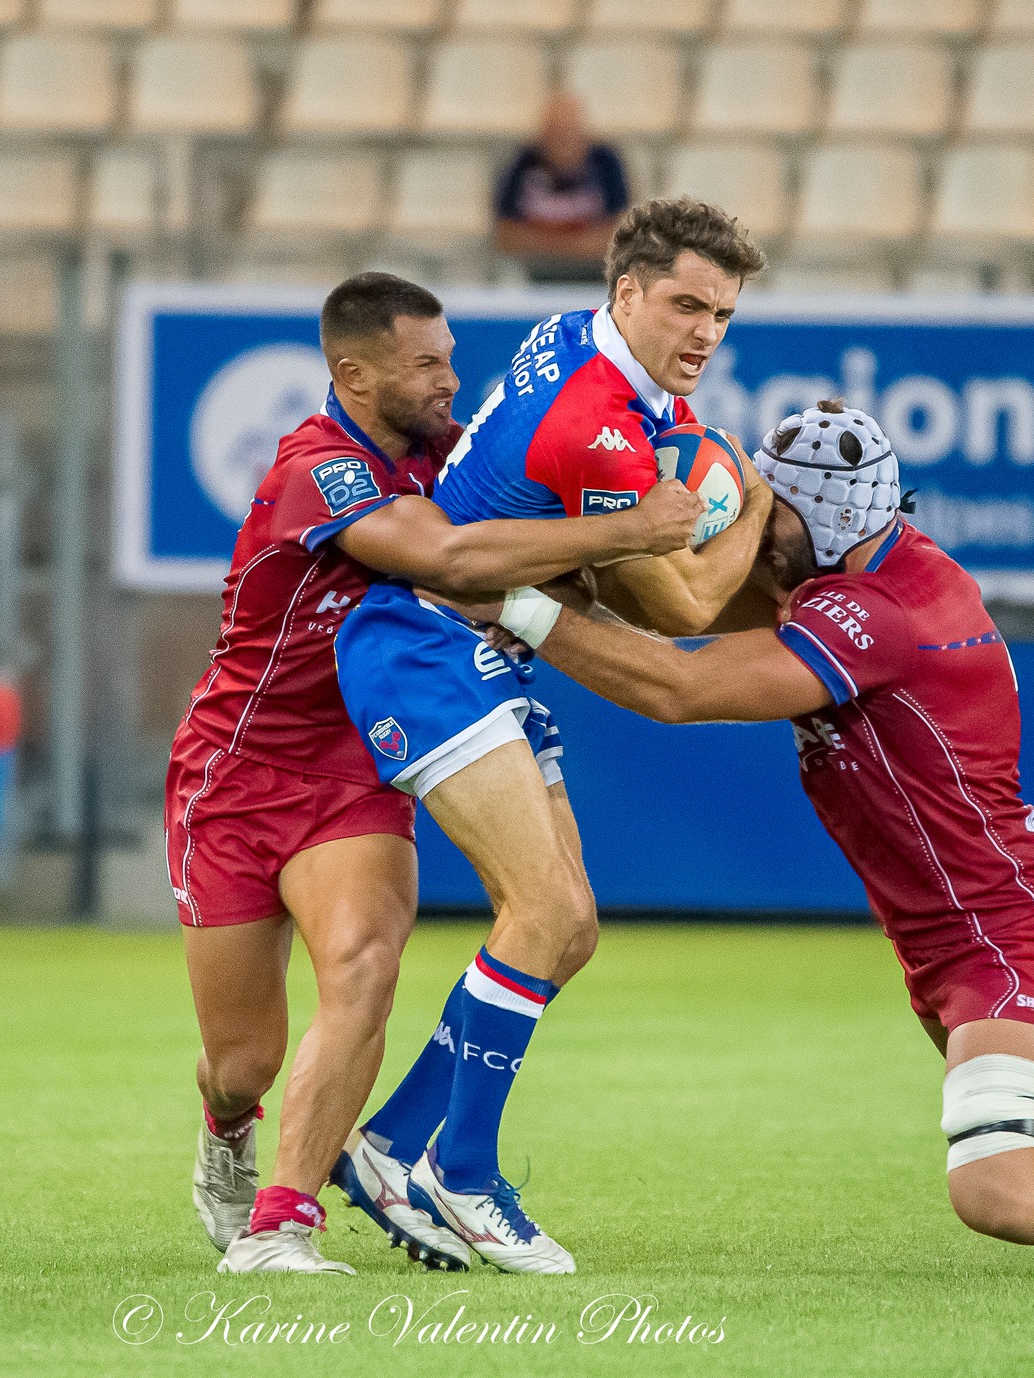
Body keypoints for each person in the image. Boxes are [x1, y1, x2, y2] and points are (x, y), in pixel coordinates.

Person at [442, 398, 1034, 1278]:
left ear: (824, 520)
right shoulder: (863, 565)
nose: (754, 531)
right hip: (949, 927)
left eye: (771, 515)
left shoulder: (876, 615)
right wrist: (574, 565)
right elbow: (681, 610)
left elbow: (677, 689)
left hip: (1000, 927)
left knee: (1000, 1189)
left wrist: (524, 604)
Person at [172, 271, 705, 1274]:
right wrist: (627, 527)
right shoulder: (316, 470)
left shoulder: (447, 458)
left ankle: (284, 1218)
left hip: (355, 765)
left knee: (366, 967)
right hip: (235, 777)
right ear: (353, 373)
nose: (449, 379)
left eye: (451, 358)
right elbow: (452, 557)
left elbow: (530, 550)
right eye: (425, 364)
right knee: (243, 1058)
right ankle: (226, 1125)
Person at [329, 199, 770, 1274]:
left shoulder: (586, 347)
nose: (704, 331)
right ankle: (461, 1173)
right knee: (548, 909)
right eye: (684, 303)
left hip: (477, 644)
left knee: (567, 929)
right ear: (627, 291)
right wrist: (749, 496)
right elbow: (677, 610)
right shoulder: (597, 419)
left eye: (720, 312)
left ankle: (390, 1144)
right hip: (425, 643)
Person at [494, 92, 632, 284]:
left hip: (595, 278)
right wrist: (576, 245)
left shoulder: (606, 163)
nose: (562, 140)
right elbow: (506, 237)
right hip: (532, 277)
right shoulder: (521, 164)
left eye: (568, 131)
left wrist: (542, 242)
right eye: (555, 132)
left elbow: (617, 236)